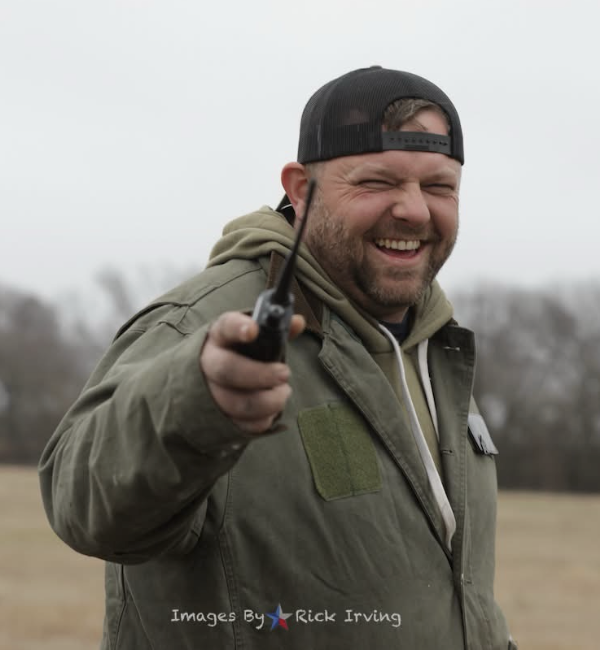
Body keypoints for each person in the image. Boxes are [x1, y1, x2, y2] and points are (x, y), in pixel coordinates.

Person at [39, 66, 514, 649]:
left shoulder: (437, 344)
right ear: (299, 189)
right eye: (377, 182)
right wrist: (193, 399)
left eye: (438, 187)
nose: (414, 210)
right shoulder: (205, 324)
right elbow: (82, 503)